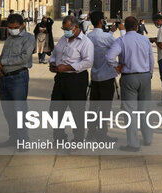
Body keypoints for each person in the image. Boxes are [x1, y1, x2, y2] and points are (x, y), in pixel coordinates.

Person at [106, 16, 155, 151]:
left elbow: (109, 57)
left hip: (129, 78)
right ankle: (148, 138)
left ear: (125, 27)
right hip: (145, 77)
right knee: (145, 109)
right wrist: (149, 74)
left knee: (130, 111)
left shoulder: (121, 40)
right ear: (137, 26)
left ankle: (133, 143)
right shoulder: (145, 39)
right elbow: (151, 59)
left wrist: (116, 66)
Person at [49, 15, 94, 143]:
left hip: (76, 79)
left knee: (77, 111)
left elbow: (88, 62)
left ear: (76, 28)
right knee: (55, 110)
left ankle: (78, 138)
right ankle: (59, 136)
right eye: (64, 29)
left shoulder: (85, 42)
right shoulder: (63, 39)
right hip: (61, 78)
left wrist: (68, 67)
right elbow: (54, 54)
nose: (65, 31)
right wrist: (53, 63)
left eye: (68, 29)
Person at [0, 14, 35, 148]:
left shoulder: (29, 39)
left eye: (15, 27)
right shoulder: (9, 38)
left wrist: (3, 62)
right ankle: (13, 138)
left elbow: (23, 58)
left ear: (22, 25)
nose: (12, 30)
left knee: (19, 110)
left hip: (18, 78)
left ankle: (23, 140)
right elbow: (3, 54)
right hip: (4, 78)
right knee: (8, 110)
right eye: (10, 28)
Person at [85, 11, 123, 143]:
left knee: (93, 106)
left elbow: (101, 43)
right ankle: (102, 134)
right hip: (107, 76)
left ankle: (91, 133)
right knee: (105, 108)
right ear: (102, 21)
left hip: (95, 76)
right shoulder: (106, 37)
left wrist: (111, 32)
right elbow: (121, 45)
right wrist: (121, 30)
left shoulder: (88, 36)